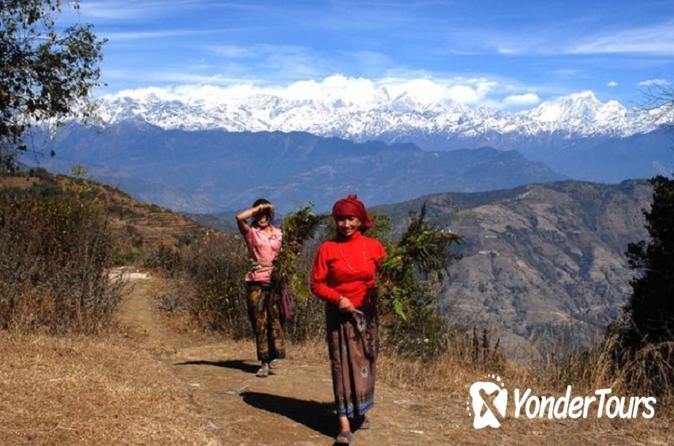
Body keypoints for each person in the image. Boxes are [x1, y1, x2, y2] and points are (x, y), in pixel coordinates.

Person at [310, 195, 387, 445]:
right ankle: (344, 424)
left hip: (367, 315)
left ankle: (360, 411)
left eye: (351, 218)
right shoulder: (327, 249)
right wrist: (338, 299)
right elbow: (316, 284)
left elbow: (386, 275)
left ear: (361, 220)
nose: (346, 224)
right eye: (341, 219)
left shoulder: (374, 246)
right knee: (342, 366)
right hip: (340, 316)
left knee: (365, 362)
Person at [236, 199, 285, 377]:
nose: (262, 218)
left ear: (270, 215)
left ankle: (273, 355)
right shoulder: (252, 233)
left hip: (275, 280)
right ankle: (264, 362)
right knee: (259, 320)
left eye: (265, 214)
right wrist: (260, 207)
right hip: (256, 280)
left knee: (276, 318)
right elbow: (239, 217)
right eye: (258, 215)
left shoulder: (279, 233)